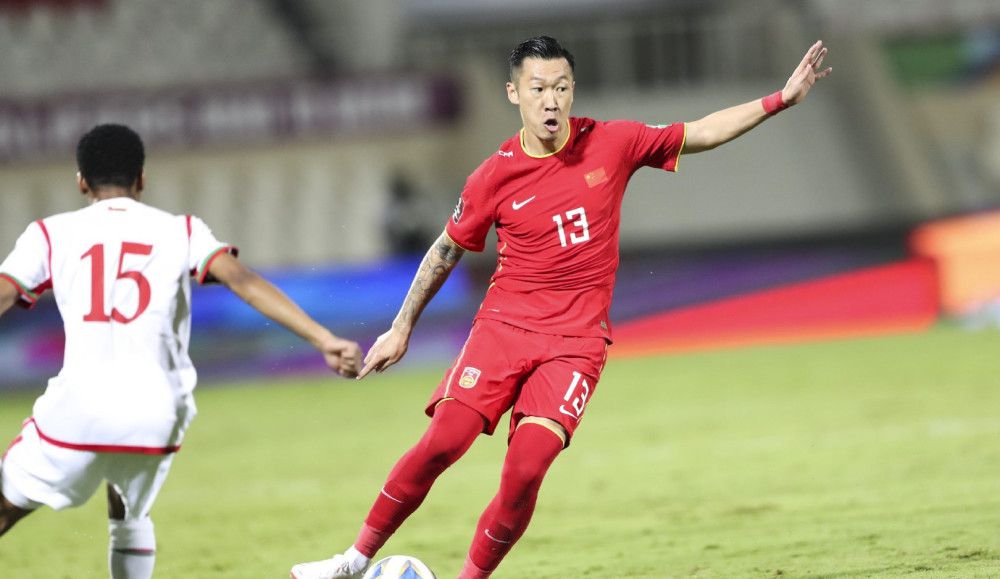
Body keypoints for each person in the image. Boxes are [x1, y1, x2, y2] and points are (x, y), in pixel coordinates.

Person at [291, 36, 832, 579]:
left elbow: (701, 132)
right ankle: (353, 561)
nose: (551, 101)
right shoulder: (493, 175)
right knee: (443, 442)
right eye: (538, 88)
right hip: (502, 329)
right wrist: (401, 327)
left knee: (525, 471)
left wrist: (779, 100)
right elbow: (446, 248)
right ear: (513, 93)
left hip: (575, 346)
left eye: (561, 87)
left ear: (573, 91)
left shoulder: (613, 142)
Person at [0, 124, 363, 579]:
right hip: (156, 413)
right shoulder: (181, 230)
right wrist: (324, 339)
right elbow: (243, 281)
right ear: (142, 178)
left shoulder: (50, 234)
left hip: (78, 409)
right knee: (129, 513)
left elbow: (5, 293)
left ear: (81, 181)